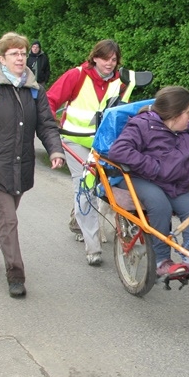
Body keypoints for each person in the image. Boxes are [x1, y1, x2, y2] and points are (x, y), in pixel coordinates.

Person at [0, 32, 65, 298]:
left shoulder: (35, 90)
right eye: (14, 54)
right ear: (1, 59)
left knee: (5, 218)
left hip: (21, 167)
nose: (20, 58)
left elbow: (46, 125)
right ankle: (16, 275)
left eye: (22, 53)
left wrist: (55, 150)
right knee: (8, 219)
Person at [107, 86, 189, 276]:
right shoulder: (142, 125)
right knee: (159, 204)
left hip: (174, 182)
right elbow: (119, 151)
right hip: (140, 178)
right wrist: (155, 167)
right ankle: (162, 260)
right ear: (174, 114)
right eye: (187, 112)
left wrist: (181, 169)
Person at [46, 39, 134, 267]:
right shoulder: (76, 76)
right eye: (105, 58)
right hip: (74, 140)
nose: (110, 64)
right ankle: (93, 248)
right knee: (85, 187)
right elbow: (50, 99)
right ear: (95, 57)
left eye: (114, 60)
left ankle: (78, 220)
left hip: (102, 144)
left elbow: (123, 114)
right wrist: (49, 126)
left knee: (103, 186)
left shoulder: (120, 82)